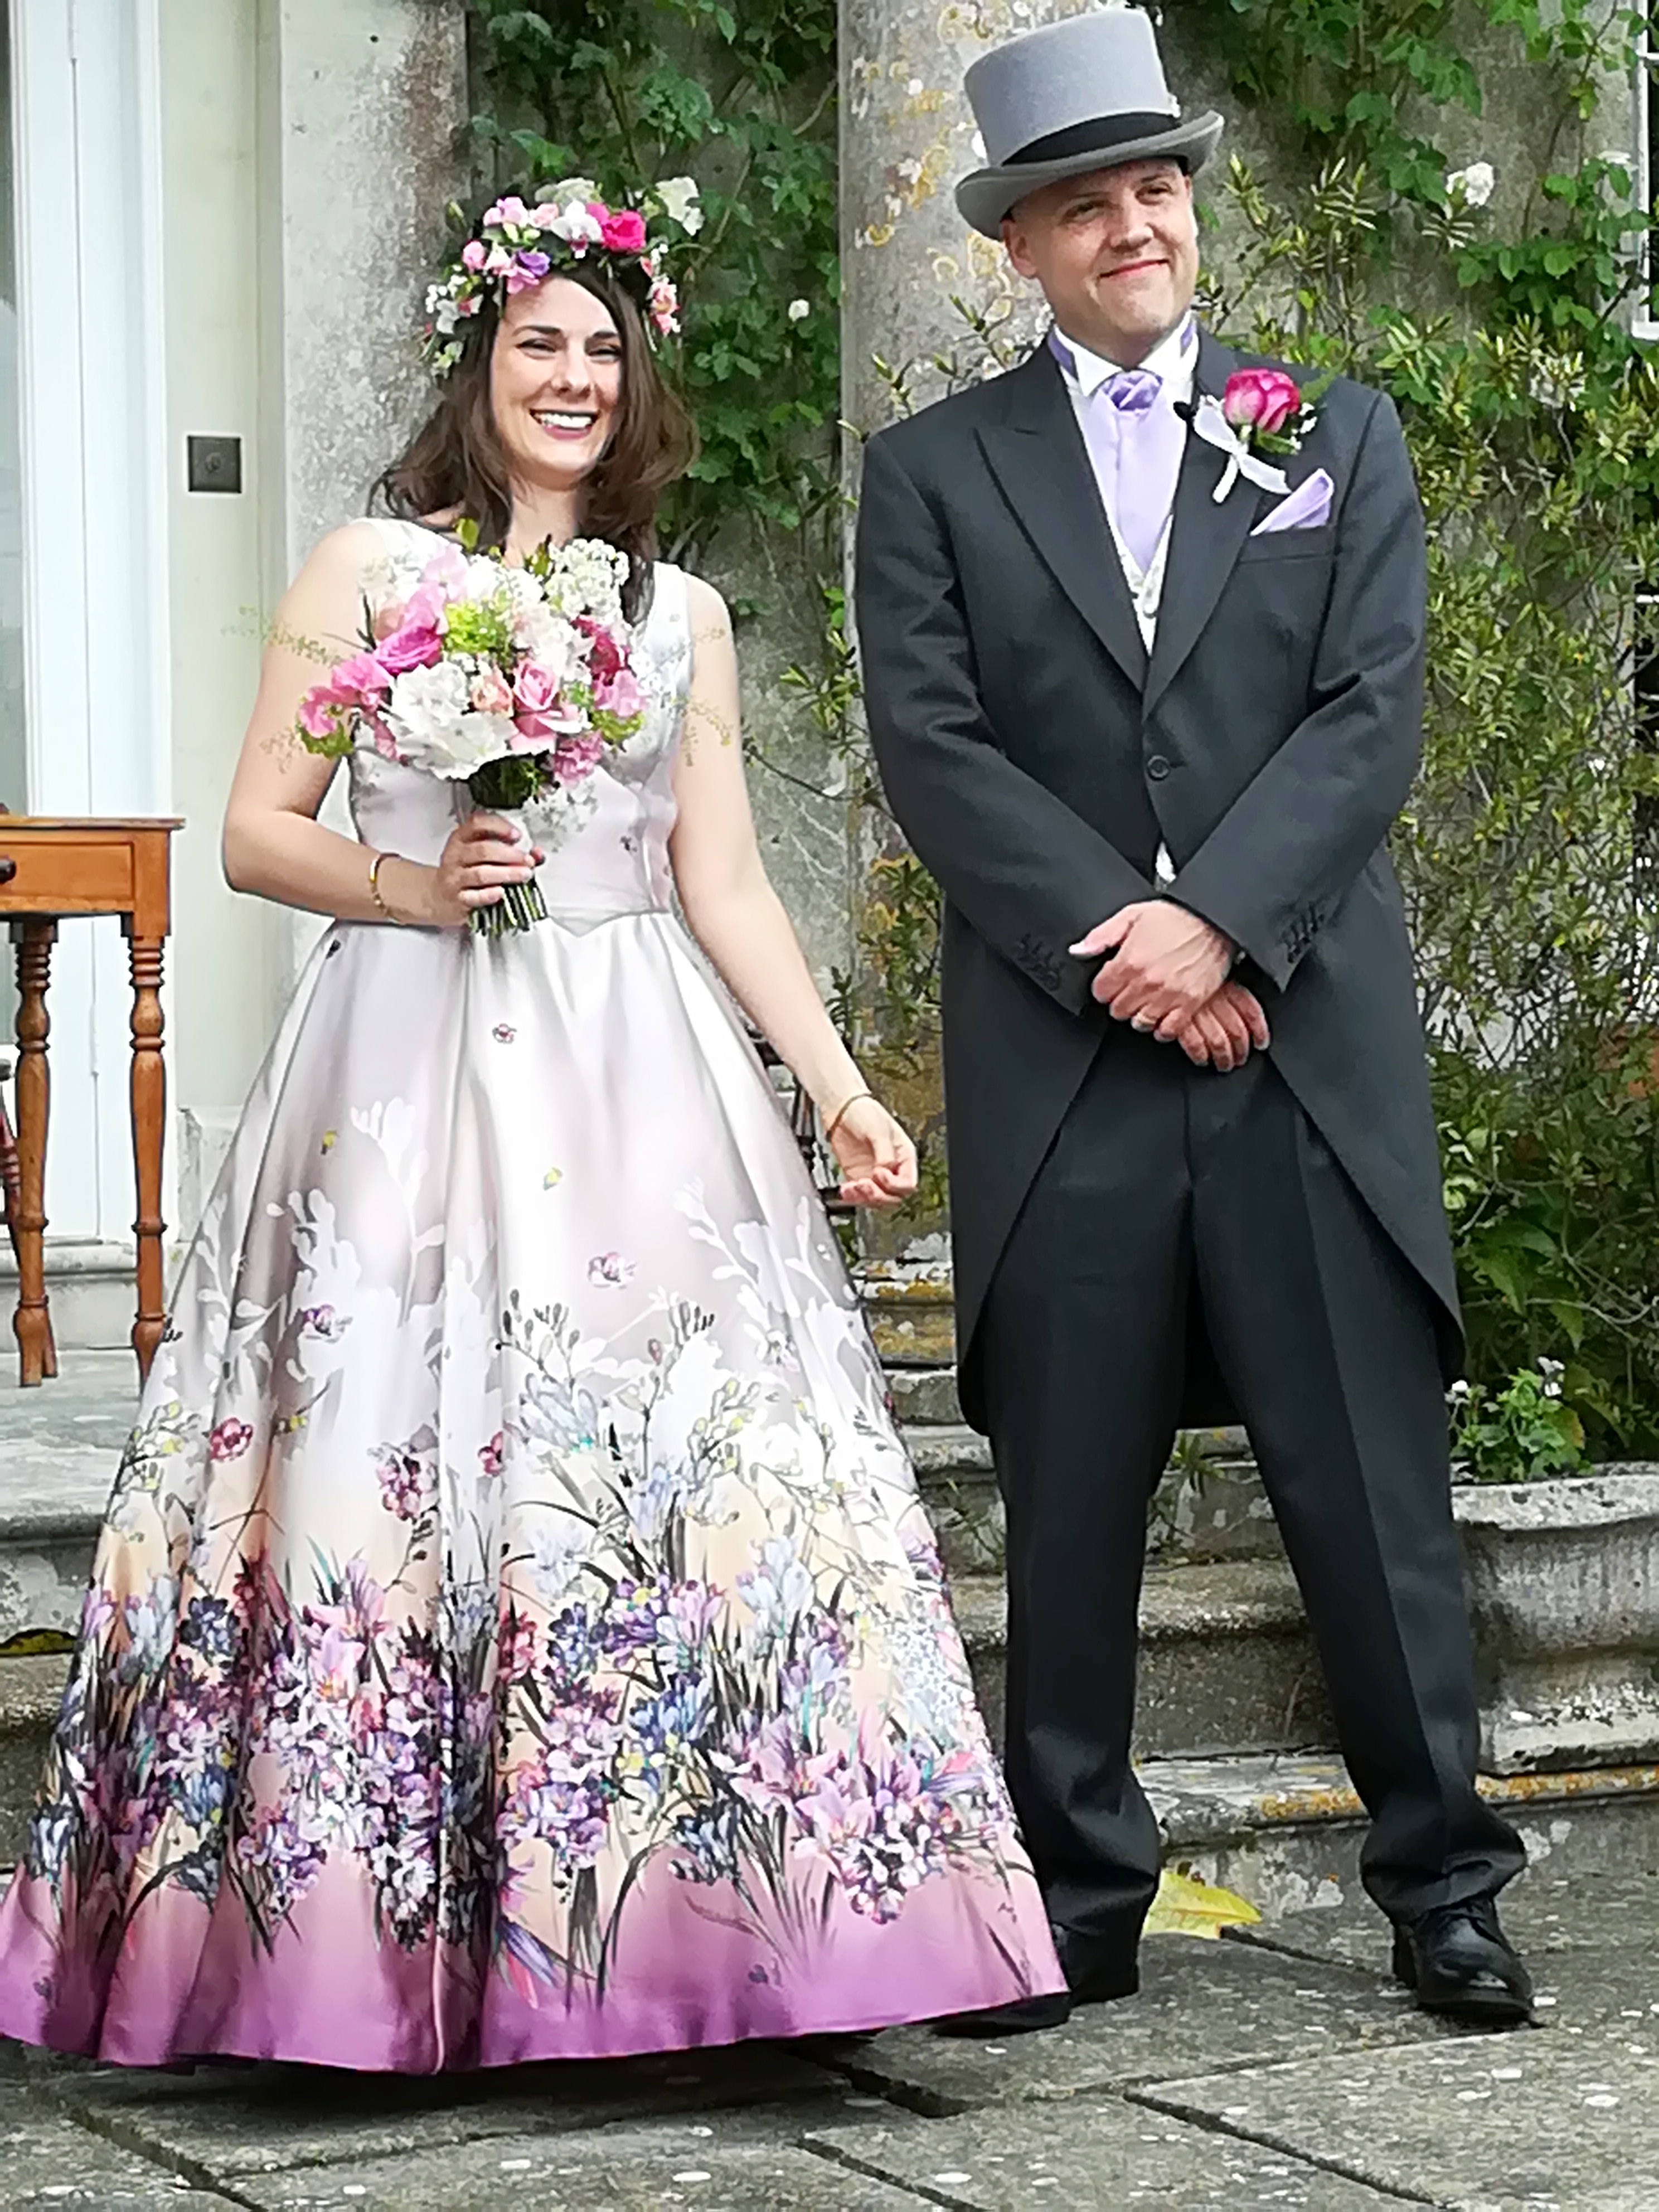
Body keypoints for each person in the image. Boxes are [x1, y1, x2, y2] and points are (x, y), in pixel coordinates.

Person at [0, 178, 1063, 2070]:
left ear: (636, 382)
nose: (572, 377)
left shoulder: (682, 615)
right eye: (536, 345)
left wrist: (836, 1088)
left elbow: (721, 881)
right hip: (403, 1060)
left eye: (601, 351)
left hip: (637, 1075)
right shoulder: (368, 572)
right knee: (382, 1463)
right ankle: (341, 1954)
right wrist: (420, 885)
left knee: (670, 1471)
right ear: (477, 368)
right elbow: (254, 834)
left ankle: (729, 1945)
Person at [853, 7, 1533, 2035]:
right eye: (1087, 203)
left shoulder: (1334, 432)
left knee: (1368, 1492)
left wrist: (1222, 928)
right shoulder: (932, 472)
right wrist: (1124, 949)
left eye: (1156, 188)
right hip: (1068, 1065)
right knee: (1070, 1503)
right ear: (1022, 244)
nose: (1134, 224)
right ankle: (1072, 1900)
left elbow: (1370, 714)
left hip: (1300, 1053)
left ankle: (1445, 1882)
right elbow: (937, 748)